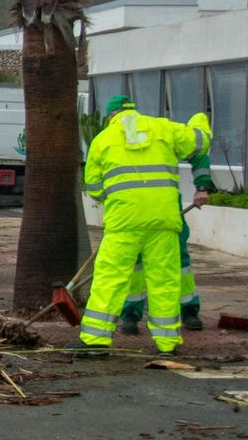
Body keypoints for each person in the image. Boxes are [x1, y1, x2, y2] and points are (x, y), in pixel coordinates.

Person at [79, 96, 213, 357]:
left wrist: (117, 196)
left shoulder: (102, 140)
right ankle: (167, 344)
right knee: (164, 280)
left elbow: (93, 187)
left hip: (123, 223)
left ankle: (96, 341)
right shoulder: (163, 128)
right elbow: (199, 142)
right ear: (134, 111)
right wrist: (200, 120)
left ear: (110, 116)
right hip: (163, 220)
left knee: (110, 279)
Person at [120, 147, 213, 335]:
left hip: (165, 209)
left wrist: (202, 186)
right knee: (135, 264)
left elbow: (197, 152)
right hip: (131, 211)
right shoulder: (113, 139)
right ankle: (130, 314)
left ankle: (188, 310)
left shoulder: (163, 134)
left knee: (178, 261)